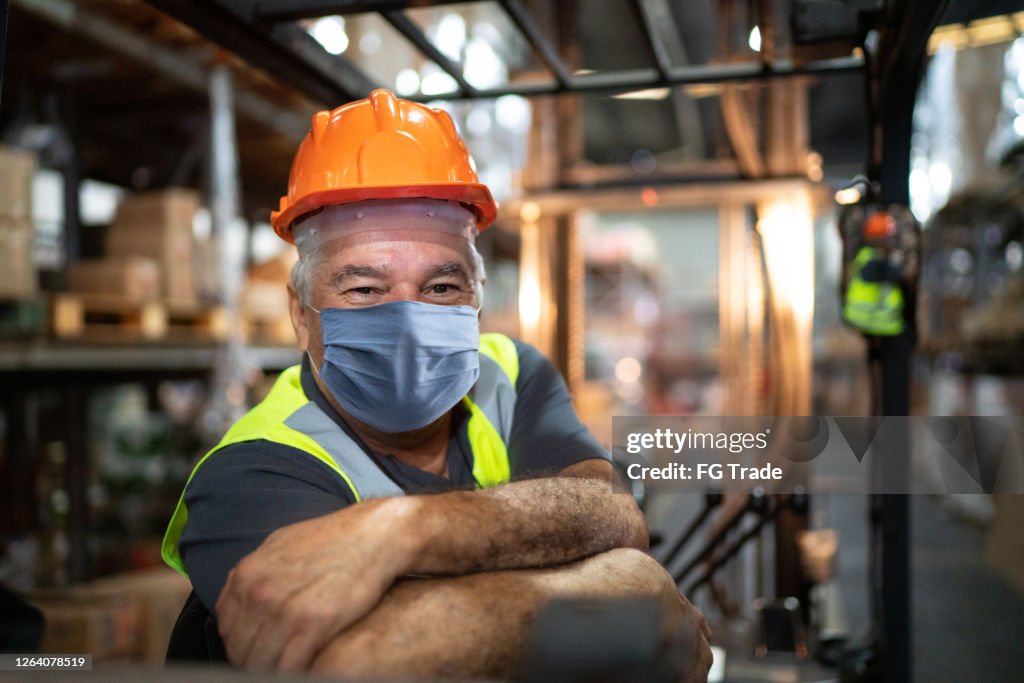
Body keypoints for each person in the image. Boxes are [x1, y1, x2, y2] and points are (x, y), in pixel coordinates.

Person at [161, 89, 711, 680]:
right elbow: (363, 661)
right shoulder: (251, 474)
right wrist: (633, 598)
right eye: (364, 289)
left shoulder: (510, 372)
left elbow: (612, 512)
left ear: (477, 300)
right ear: (300, 315)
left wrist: (405, 531)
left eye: (441, 288)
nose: (408, 323)